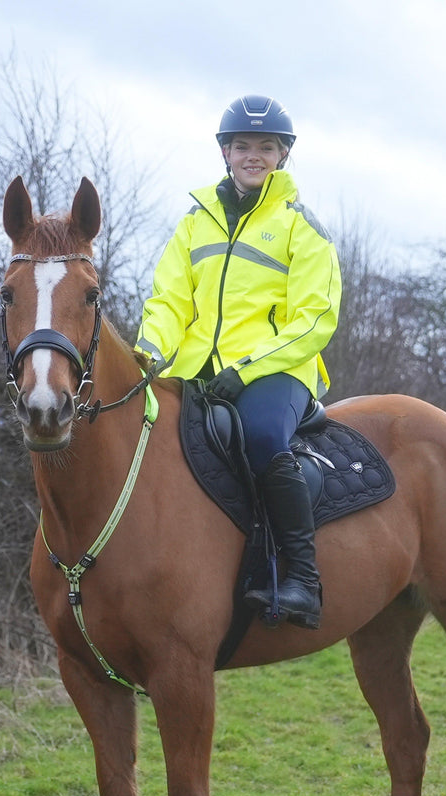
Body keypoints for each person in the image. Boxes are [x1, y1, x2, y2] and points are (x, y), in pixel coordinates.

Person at [136, 94, 341, 629]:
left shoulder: (302, 226)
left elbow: (315, 318)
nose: (254, 155)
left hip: (278, 372)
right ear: (225, 152)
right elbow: (169, 301)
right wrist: (149, 352)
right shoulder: (193, 222)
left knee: (262, 438)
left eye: (266, 147)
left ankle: (302, 580)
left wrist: (245, 368)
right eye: (243, 145)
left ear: (283, 156)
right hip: (197, 369)